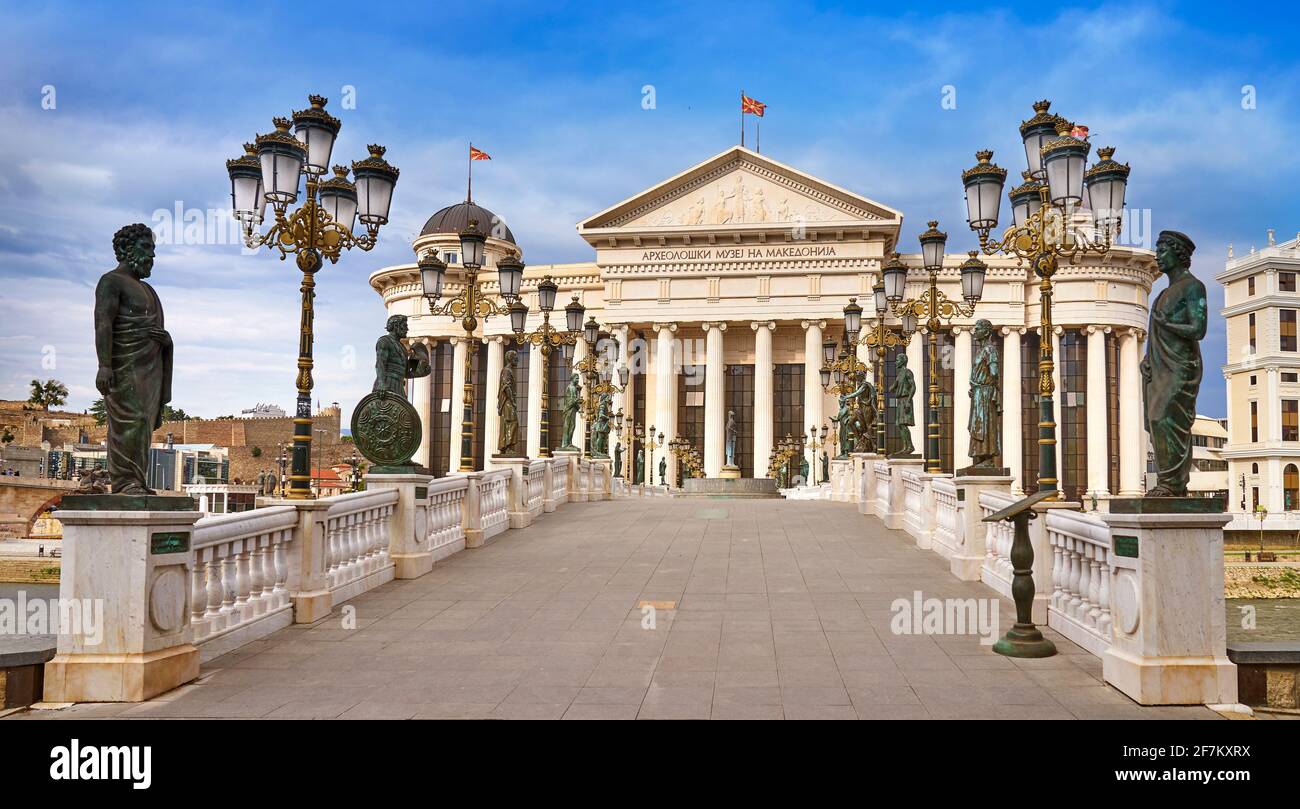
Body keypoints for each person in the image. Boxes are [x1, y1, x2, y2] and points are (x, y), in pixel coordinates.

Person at [94, 224, 172, 495]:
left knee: (144, 425)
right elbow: (103, 324)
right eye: (146, 248)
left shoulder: (149, 290)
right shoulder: (111, 282)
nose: (152, 256)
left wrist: (166, 341)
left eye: (153, 249)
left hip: (150, 368)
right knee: (131, 421)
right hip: (123, 365)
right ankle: (125, 483)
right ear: (128, 249)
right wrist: (104, 365)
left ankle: (136, 482)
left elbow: (157, 330)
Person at [1141, 230, 1207, 497]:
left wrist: (1168, 324)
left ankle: (1172, 484)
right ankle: (1171, 484)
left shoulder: (1193, 287)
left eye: (1162, 251)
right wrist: (1147, 359)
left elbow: (1198, 328)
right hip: (1159, 365)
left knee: (1167, 418)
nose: (1158, 256)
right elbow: (1154, 333)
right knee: (1155, 421)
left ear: (1178, 254)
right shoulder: (1162, 294)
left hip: (1182, 365)